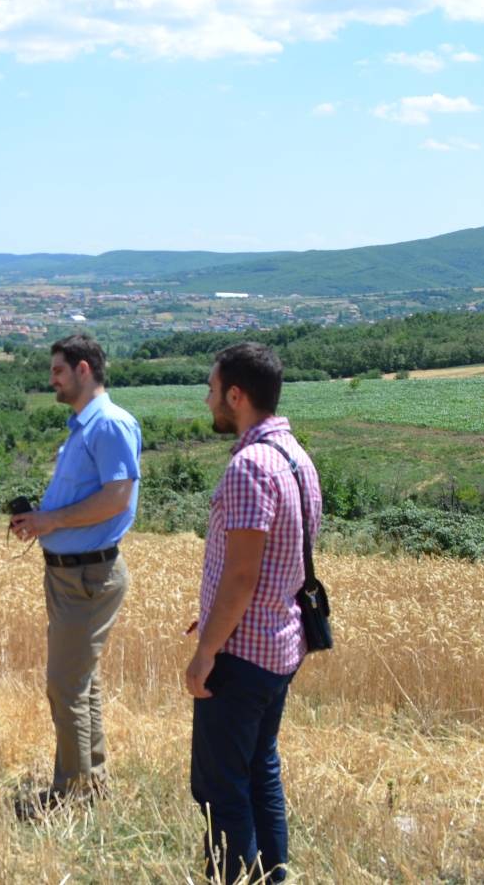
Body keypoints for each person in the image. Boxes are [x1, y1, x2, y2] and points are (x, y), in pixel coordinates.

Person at [184, 342, 322, 883]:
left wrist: (206, 650)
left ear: (236, 395)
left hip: (241, 655)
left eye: (213, 389)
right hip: (280, 644)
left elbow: (242, 574)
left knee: (221, 788)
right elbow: (277, 563)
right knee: (260, 769)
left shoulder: (249, 467)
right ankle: (273, 876)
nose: (207, 399)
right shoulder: (295, 456)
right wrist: (214, 616)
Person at [8, 333, 141, 801]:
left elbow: (117, 497)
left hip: (87, 575)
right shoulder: (85, 426)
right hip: (72, 571)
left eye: (58, 372)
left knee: (66, 686)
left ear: (84, 369)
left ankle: (71, 793)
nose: (53, 382)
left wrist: (52, 520)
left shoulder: (109, 425)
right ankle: (91, 781)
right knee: (81, 683)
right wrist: (42, 523)